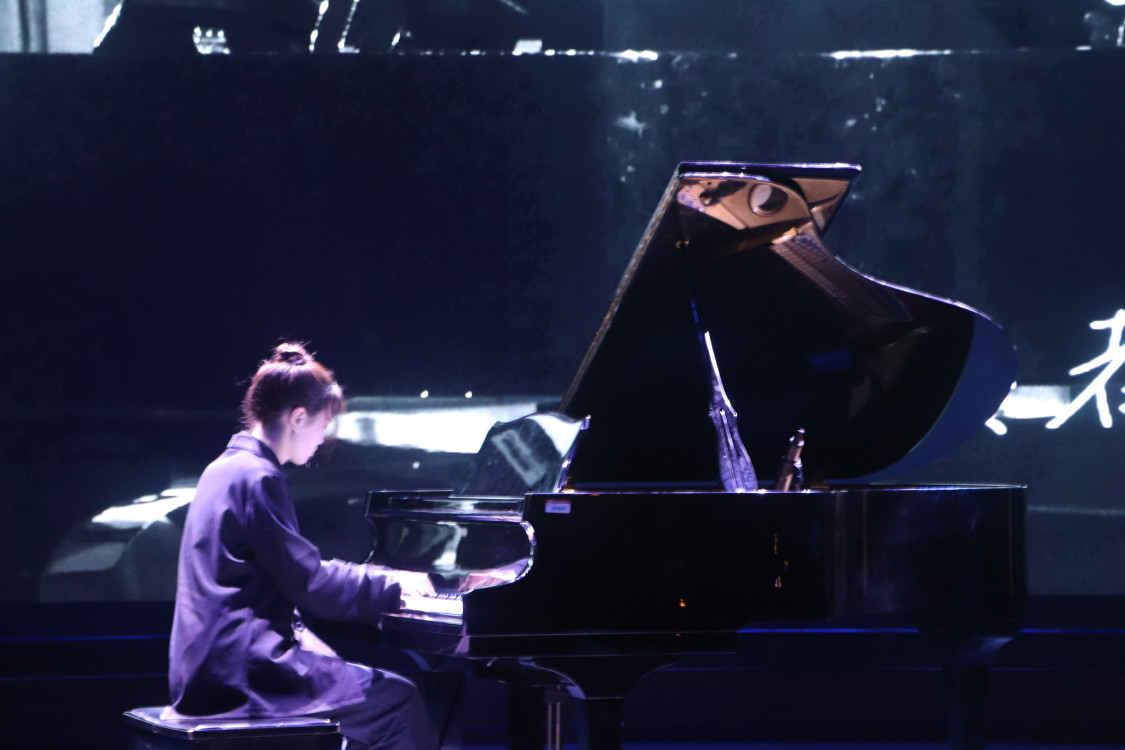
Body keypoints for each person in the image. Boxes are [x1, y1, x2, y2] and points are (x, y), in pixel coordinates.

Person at [164, 342, 435, 750]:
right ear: (297, 417)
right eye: (323, 425)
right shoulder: (259, 477)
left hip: (206, 666)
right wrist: (393, 583)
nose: (323, 439)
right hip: (245, 673)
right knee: (398, 700)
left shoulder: (222, 469)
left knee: (369, 688)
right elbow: (309, 581)